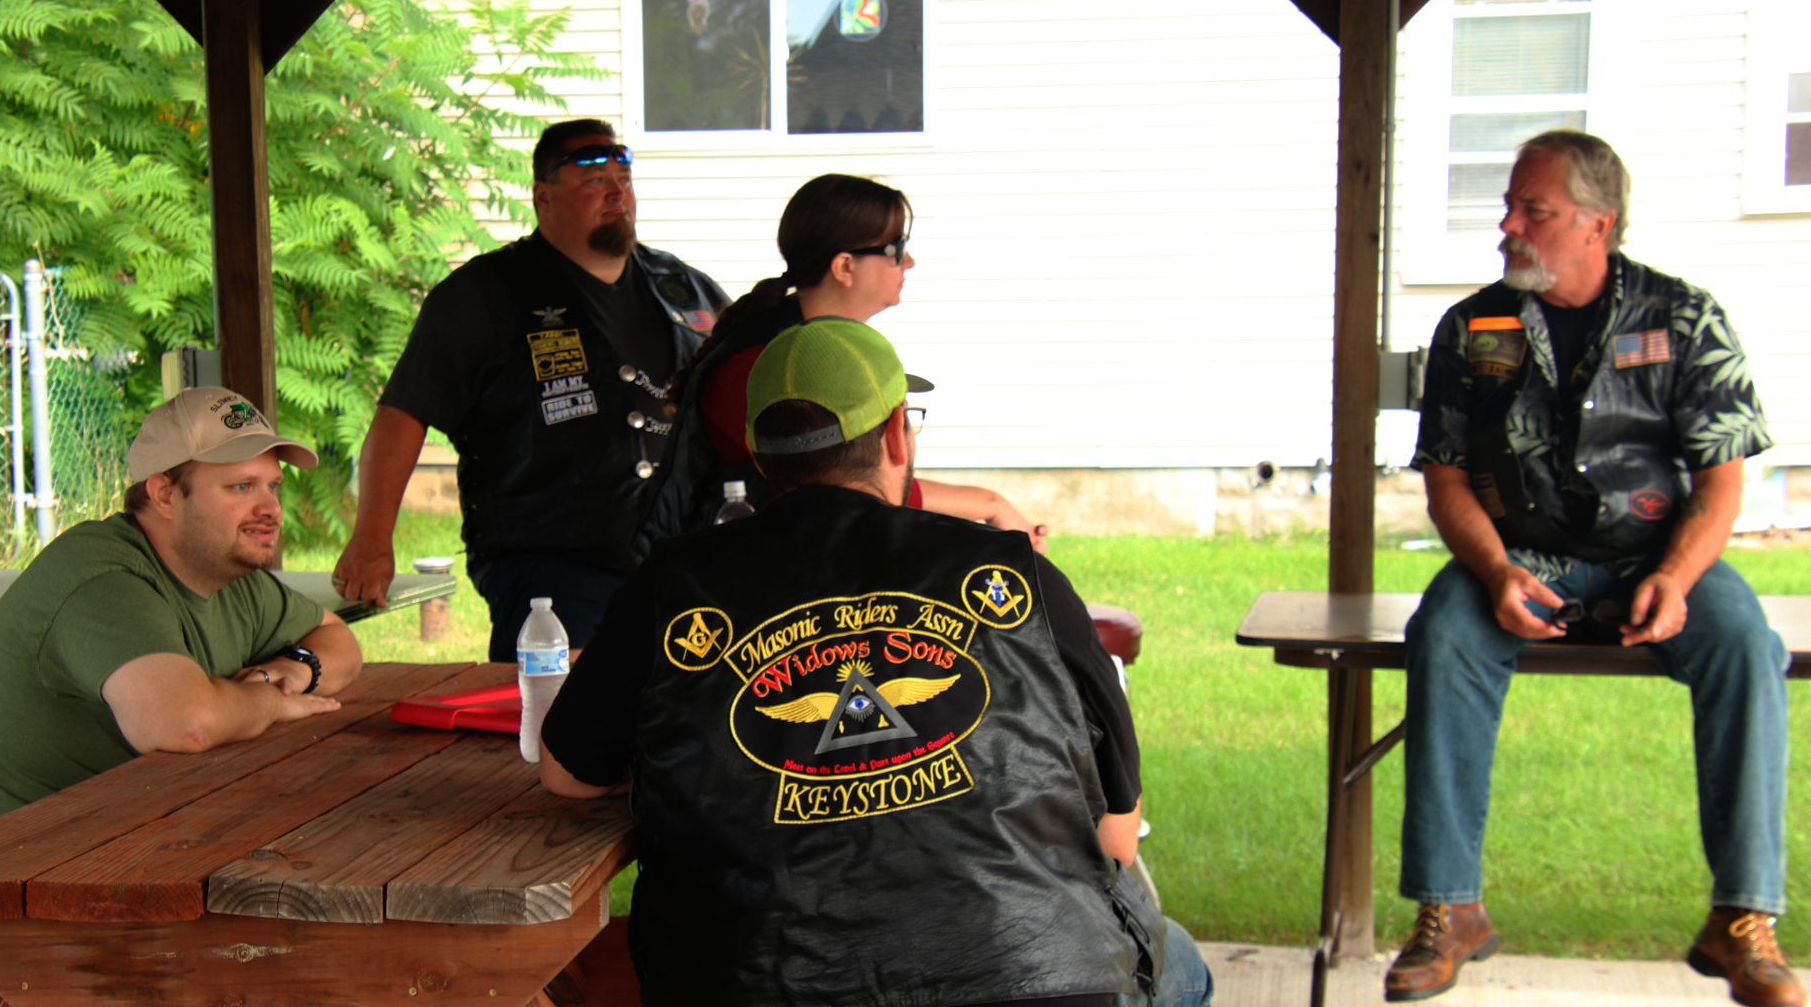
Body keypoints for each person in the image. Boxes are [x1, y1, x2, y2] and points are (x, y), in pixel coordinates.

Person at [540, 318, 1212, 1007]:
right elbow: (1117, 839)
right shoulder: (1017, 577)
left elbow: (567, 774)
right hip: (1034, 982)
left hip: (755, 984)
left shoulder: (672, 587)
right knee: (1184, 966)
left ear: (758, 454)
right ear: (896, 434)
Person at [1388, 131, 1795, 1007]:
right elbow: (1447, 480)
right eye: (1510, 205)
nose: (1509, 225)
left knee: (1745, 645)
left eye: (1534, 210)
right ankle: (1450, 909)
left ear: (1597, 224)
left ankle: (1743, 920)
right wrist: (1494, 573)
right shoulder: (1474, 325)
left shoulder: (1684, 316)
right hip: (1516, 555)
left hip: (1655, 555)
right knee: (1445, 634)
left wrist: (1677, 578)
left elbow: (1722, 481)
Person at [0, 386, 363, 977]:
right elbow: (185, 724)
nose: (269, 508)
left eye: (272, 486)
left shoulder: (229, 575)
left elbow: (340, 643)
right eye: (240, 487)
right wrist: (269, 702)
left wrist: (293, 669)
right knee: (284, 969)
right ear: (165, 494)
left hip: (114, 866)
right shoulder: (103, 578)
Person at [331, 118, 729, 660]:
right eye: (595, 181)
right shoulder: (485, 295)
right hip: (551, 574)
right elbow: (404, 413)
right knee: (564, 712)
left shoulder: (685, 288)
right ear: (543, 195)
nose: (617, 194)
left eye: (624, 179)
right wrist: (372, 539)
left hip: (683, 565)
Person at [639, 172, 1048, 556]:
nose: (909, 261)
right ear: (845, 267)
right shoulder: (764, 372)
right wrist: (989, 505)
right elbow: (852, 484)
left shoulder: (810, 351)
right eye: (896, 249)